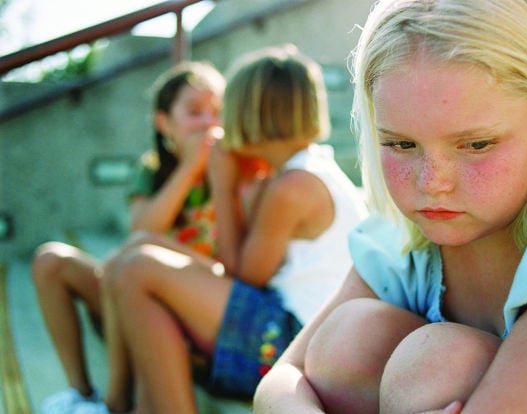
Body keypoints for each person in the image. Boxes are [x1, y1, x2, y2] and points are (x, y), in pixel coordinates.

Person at [253, 0, 527, 413]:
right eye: (401, 144)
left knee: (439, 364)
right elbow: (283, 378)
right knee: (350, 339)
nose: (432, 183)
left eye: (476, 144)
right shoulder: (406, 244)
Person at [74, 44, 368, 414]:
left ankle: (132, 405)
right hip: (294, 326)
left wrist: (223, 185)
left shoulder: (293, 186)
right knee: (140, 248)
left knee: (137, 270)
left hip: (296, 340)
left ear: (252, 115)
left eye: (227, 110)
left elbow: (242, 275)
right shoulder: (302, 169)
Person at [32, 61, 228, 414]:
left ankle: (116, 402)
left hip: (188, 303)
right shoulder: (153, 168)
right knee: (51, 261)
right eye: (195, 112)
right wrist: (188, 169)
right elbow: (143, 230)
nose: (208, 123)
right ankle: (81, 394)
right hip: (138, 285)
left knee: (128, 270)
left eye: (217, 112)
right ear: (164, 123)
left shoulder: (231, 169)